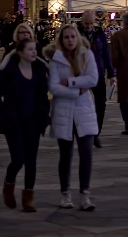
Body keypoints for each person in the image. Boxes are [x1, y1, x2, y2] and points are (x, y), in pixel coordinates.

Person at [0, 38, 50, 212]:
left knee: (31, 161)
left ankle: (28, 197)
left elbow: (44, 95)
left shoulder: (39, 70)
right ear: (20, 52)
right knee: (18, 159)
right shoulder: (9, 71)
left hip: (33, 121)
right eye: (30, 49)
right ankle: (9, 184)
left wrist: (44, 112)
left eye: (35, 49)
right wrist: (5, 112)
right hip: (14, 122)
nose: (34, 52)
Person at [46, 24, 98, 211]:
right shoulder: (56, 60)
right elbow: (53, 86)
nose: (69, 40)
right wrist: (77, 91)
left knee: (86, 153)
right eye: (66, 37)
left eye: (72, 37)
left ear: (77, 38)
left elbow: (93, 79)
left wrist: (69, 82)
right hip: (63, 111)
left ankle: (85, 194)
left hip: (84, 111)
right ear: (61, 40)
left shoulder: (86, 56)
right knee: (65, 155)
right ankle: (65, 193)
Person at [79, 9, 114, 148]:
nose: (88, 26)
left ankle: (96, 133)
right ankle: (84, 132)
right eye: (86, 23)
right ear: (82, 22)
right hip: (81, 74)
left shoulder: (99, 34)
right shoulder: (76, 33)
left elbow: (106, 53)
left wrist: (111, 74)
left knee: (101, 104)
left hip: (98, 74)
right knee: (82, 106)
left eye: (90, 23)